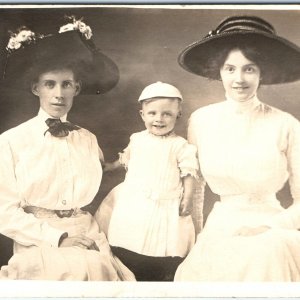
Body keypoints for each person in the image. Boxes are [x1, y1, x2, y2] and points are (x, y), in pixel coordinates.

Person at [0, 17, 134, 280]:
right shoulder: (11, 141)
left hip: (88, 232)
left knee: (103, 274)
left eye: (66, 84)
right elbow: (3, 211)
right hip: (38, 238)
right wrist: (58, 237)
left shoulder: (87, 139)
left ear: (77, 88)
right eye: (50, 84)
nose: (59, 94)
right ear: (36, 88)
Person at [174, 15, 300, 281]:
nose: (239, 79)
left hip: (273, 228)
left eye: (249, 69)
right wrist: (196, 238)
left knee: (266, 255)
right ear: (218, 71)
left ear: (262, 72)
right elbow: (196, 190)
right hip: (221, 225)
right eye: (230, 69)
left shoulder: (286, 124)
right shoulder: (201, 120)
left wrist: (270, 227)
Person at [96, 81, 199, 281]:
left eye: (166, 114)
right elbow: (125, 157)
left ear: (178, 115)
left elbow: (189, 173)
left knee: (161, 243)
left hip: (165, 200)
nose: (159, 119)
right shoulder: (138, 138)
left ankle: (157, 268)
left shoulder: (180, 146)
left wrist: (188, 196)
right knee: (129, 236)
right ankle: (130, 260)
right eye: (152, 113)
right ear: (142, 114)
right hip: (135, 199)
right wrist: (110, 166)